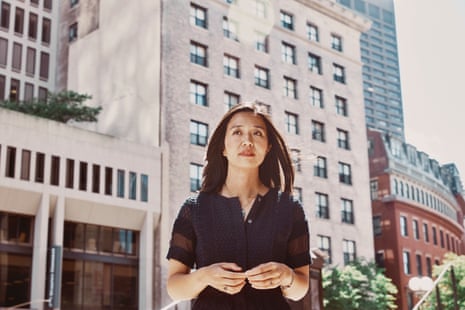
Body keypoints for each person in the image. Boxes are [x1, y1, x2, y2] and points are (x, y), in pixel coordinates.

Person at [166, 102, 311, 309]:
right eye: (237, 132)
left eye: (257, 134)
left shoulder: (290, 208)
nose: (248, 141)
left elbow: (301, 288)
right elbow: (174, 286)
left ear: (268, 147)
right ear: (223, 148)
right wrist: (205, 276)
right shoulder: (194, 209)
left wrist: (286, 276)